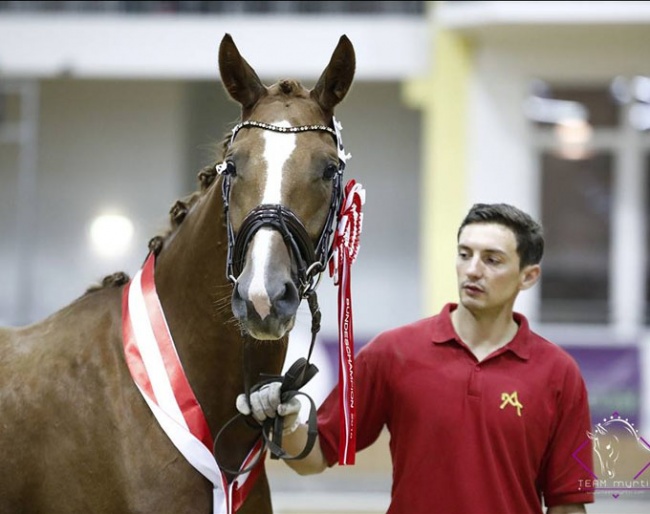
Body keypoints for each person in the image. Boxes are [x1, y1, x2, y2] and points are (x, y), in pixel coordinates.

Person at [237, 202, 594, 514]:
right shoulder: (393, 353)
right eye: (465, 254)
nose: (472, 270)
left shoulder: (558, 374)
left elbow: (566, 504)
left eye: (492, 260)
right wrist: (285, 425)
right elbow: (313, 459)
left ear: (528, 276)